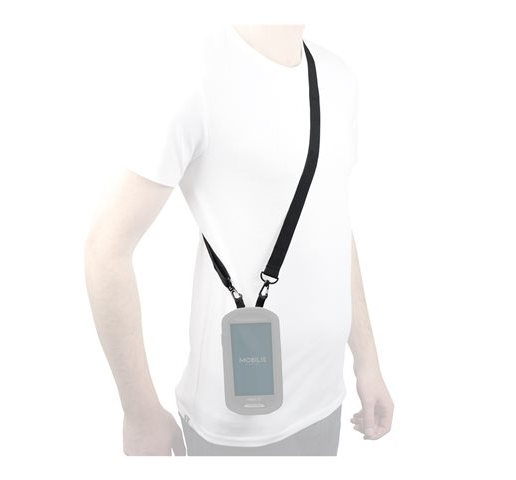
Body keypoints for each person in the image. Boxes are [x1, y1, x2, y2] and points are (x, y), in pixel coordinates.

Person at [84, 24, 393, 456]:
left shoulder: (337, 77)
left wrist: (368, 362)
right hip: (235, 428)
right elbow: (105, 249)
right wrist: (139, 412)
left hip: (326, 401)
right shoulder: (194, 73)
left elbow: (333, 226)